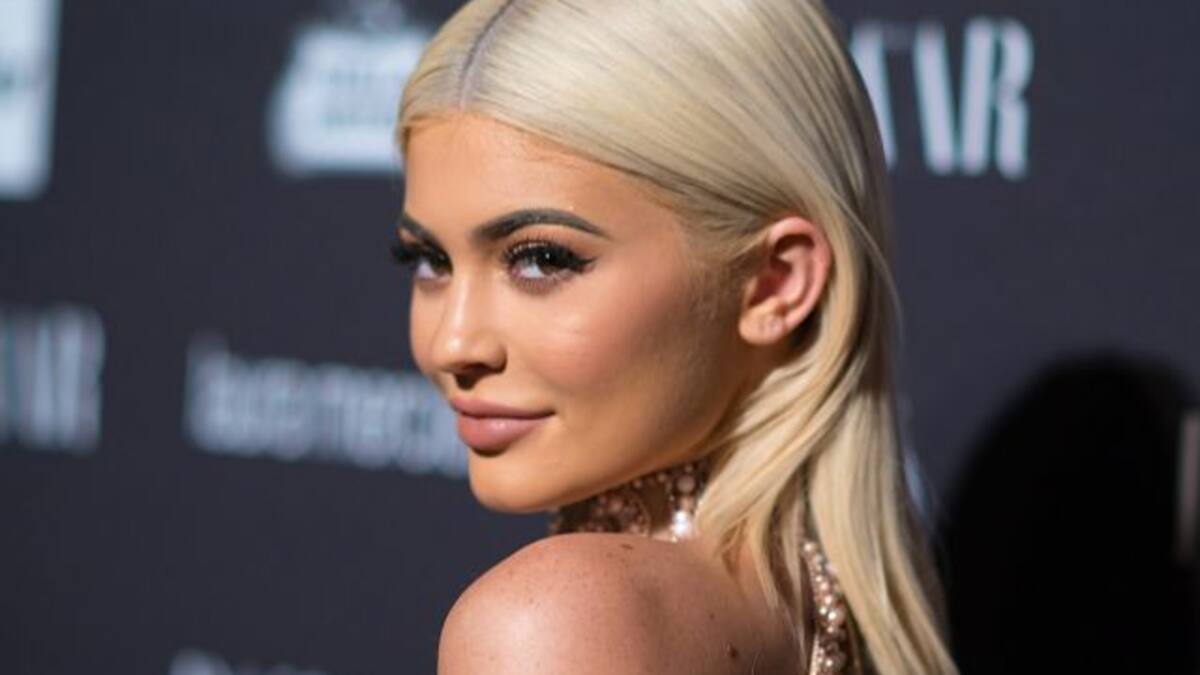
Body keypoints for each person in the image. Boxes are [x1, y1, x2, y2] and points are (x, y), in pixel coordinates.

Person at [389, 0, 959, 673]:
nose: (452, 344)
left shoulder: (552, 624)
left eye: (541, 259)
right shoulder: (820, 606)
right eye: (430, 262)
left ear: (775, 283)